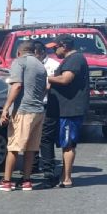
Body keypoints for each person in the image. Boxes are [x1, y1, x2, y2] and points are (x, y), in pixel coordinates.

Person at [0, 40, 47, 192]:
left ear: (18, 52)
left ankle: (6, 181)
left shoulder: (19, 62)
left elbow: (16, 86)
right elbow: (44, 89)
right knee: (31, 148)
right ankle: (26, 181)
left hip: (23, 110)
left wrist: (5, 109)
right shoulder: (40, 65)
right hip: (38, 110)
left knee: (14, 146)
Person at [47, 35, 90, 188]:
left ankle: (66, 179)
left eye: (54, 47)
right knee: (65, 143)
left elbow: (66, 79)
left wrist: (47, 78)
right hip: (65, 109)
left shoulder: (75, 59)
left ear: (64, 46)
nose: (53, 51)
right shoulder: (70, 59)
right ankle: (64, 175)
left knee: (68, 144)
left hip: (70, 110)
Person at [36, 42, 61, 185]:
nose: (35, 57)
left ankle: (48, 169)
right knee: (32, 136)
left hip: (48, 104)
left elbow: (52, 85)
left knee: (45, 137)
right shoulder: (30, 64)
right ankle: (32, 166)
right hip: (34, 105)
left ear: (42, 52)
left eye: (37, 54)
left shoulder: (54, 65)